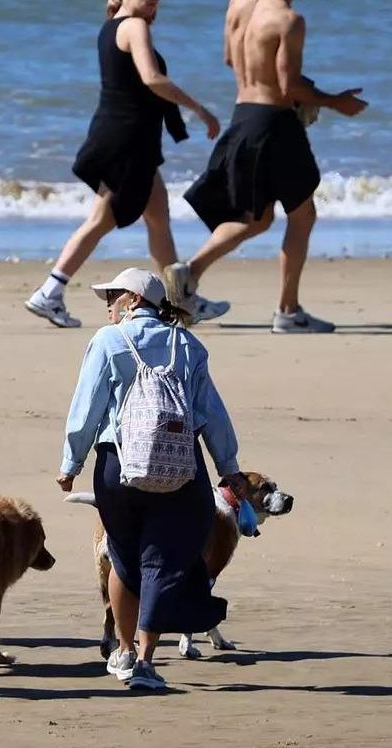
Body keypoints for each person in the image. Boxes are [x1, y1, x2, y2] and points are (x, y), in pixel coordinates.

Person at [55, 268, 245, 691]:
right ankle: (144, 661)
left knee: (123, 556)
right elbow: (211, 411)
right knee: (160, 560)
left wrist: (71, 463)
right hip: (181, 468)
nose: (108, 303)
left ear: (135, 300)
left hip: (117, 467)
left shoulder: (107, 342)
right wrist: (228, 466)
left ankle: (122, 651)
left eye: (114, 295)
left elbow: (86, 407)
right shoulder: (188, 345)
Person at [174, 0, 369, 333]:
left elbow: (230, 57)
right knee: (303, 215)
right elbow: (287, 86)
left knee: (258, 218)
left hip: (242, 115)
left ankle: (188, 272)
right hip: (275, 125)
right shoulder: (289, 20)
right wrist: (334, 101)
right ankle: (288, 311)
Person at [25, 0, 222, 329]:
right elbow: (153, 78)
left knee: (158, 218)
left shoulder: (112, 27)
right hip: (127, 142)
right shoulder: (134, 27)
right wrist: (199, 108)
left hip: (127, 139)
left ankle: (183, 302)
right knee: (101, 220)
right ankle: (50, 292)